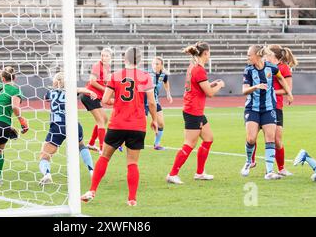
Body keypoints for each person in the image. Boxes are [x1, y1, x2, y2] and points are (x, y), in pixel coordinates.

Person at [81, 47, 158, 206]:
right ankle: (132, 199)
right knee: (132, 163)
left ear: (125, 59)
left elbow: (105, 100)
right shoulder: (145, 77)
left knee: (105, 157)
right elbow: (151, 102)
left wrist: (114, 101)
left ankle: (92, 190)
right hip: (137, 125)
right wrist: (154, 120)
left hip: (117, 124)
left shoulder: (115, 76)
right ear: (140, 61)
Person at [166, 42, 225, 185]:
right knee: (189, 143)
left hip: (194, 109)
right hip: (193, 110)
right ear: (205, 53)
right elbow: (209, 93)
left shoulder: (194, 67)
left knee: (208, 138)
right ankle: (172, 174)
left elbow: (200, 87)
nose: (209, 55)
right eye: (209, 52)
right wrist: (219, 85)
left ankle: (199, 173)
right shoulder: (198, 69)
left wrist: (211, 85)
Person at [241, 45, 293, 180]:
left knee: (270, 139)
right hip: (252, 108)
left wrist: (289, 93)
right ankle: (248, 162)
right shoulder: (248, 70)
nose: (247, 57)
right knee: (251, 138)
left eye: (249, 55)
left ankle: (269, 171)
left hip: (269, 108)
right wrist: (256, 87)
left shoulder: (271, 67)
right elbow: (244, 90)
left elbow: (281, 78)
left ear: (257, 55)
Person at [39, 72, 96, 185]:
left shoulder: (50, 93)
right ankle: (92, 171)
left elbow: (45, 98)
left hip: (57, 126)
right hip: (73, 124)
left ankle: (47, 174)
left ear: (55, 82)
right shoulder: (71, 91)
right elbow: (80, 89)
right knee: (81, 146)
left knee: (44, 155)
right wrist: (90, 91)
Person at [81, 48, 112, 153]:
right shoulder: (97, 66)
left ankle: (91, 143)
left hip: (95, 97)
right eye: (103, 55)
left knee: (104, 119)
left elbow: (107, 82)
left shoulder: (107, 67)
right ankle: (102, 148)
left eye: (106, 56)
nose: (104, 57)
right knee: (101, 121)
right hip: (89, 95)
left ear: (110, 57)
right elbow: (92, 81)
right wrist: (106, 90)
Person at [145, 56, 173, 150]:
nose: (154, 65)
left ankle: (156, 144)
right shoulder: (147, 74)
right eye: (153, 63)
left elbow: (166, 82)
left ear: (161, 66)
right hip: (143, 102)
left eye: (157, 64)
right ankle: (122, 142)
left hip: (155, 101)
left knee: (161, 124)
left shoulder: (164, 74)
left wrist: (168, 94)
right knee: (140, 125)